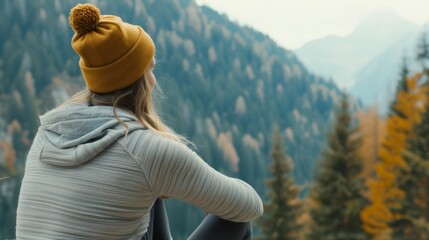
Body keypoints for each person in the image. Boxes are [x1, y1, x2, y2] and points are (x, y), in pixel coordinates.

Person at [16, 3, 263, 240]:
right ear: (138, 80)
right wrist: (204, 194)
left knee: (149, 191)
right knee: (236, 218)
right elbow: (250, 205)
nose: (153, 80)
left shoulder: (46, 135)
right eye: (150, 69)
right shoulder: (145, 150)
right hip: (150, 164)